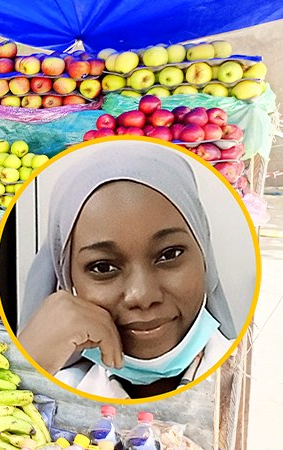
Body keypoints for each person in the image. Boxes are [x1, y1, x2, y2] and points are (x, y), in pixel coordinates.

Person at [17, 143, 242, 399]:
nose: (142, 296)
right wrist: (28, 366)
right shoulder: (44, 394)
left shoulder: (249, 383)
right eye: (103, 267)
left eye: (169, 255)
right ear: (69, 282)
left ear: (204, 257)